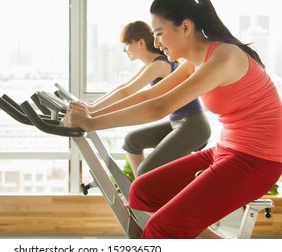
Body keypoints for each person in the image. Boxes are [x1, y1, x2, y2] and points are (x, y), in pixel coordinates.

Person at [64, 0, 282, 239]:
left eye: (158, 33)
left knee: (159, 229)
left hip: (257, 161)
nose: (156, 43)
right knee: (143, 190)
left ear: (185, 27)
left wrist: (92, 122)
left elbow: (160, 108)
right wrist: (91, 112)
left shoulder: (225, 57)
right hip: (227, 150)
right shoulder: (194, 61)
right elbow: (148, 96)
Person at [75, 21, 210, 177]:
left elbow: (129, 92)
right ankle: (141, 191)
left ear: (140, 43)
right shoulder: (153, 63)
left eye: (126, 43)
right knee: (132, 141)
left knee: (146, 170)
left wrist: (92, 113)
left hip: (193, 126)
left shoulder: (160, 64)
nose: (124, 50)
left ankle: (143, 193)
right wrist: (91, 106)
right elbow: (122, 88)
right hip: (178, 123)